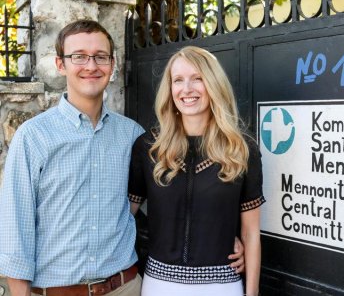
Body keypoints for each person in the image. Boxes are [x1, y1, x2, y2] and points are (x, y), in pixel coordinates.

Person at [0, 20, 145, 296]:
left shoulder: (132, 135)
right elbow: (15, 231)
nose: (91, 66)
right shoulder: (33, 137)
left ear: (112, 65)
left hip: (124, 288)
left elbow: (170, 197)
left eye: (100, 57)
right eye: (78, 56)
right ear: (60, 64)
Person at [129, 46, 265, 296]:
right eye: (178, 80)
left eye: (198, 78)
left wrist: (252, 292)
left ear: (214, 84)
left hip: (222, 286)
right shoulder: (149, 148)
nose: (187, 89)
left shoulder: (241, 149)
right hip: (159, 285)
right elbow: (126, 216)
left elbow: (251, 232)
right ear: (169, 90)